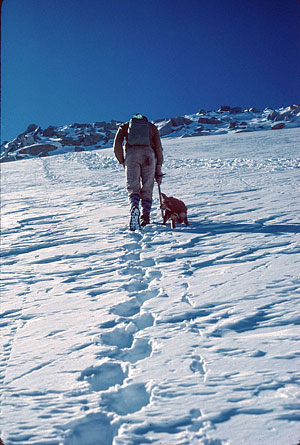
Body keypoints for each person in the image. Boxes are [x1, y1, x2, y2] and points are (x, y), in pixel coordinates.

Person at [113, 114, 164, 230]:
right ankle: (145, 216)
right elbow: (158, 148)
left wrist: (122, 161)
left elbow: (116, 145)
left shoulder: (125, 126)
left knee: (133, 187)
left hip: (132, 155)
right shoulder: (151, 127)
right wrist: (158, 167)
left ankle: (134, 208)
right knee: (147, 187)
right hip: (148, 155)